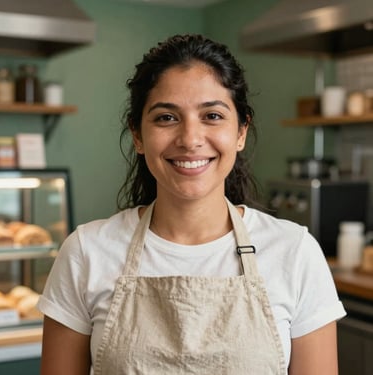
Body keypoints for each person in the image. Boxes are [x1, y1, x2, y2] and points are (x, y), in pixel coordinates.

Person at [38, 34, 346, 375]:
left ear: (241, 132)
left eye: (212, 115)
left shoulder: (295, 252)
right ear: (138, 136)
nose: (190, 139)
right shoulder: (86, 252)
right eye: (166, 118)